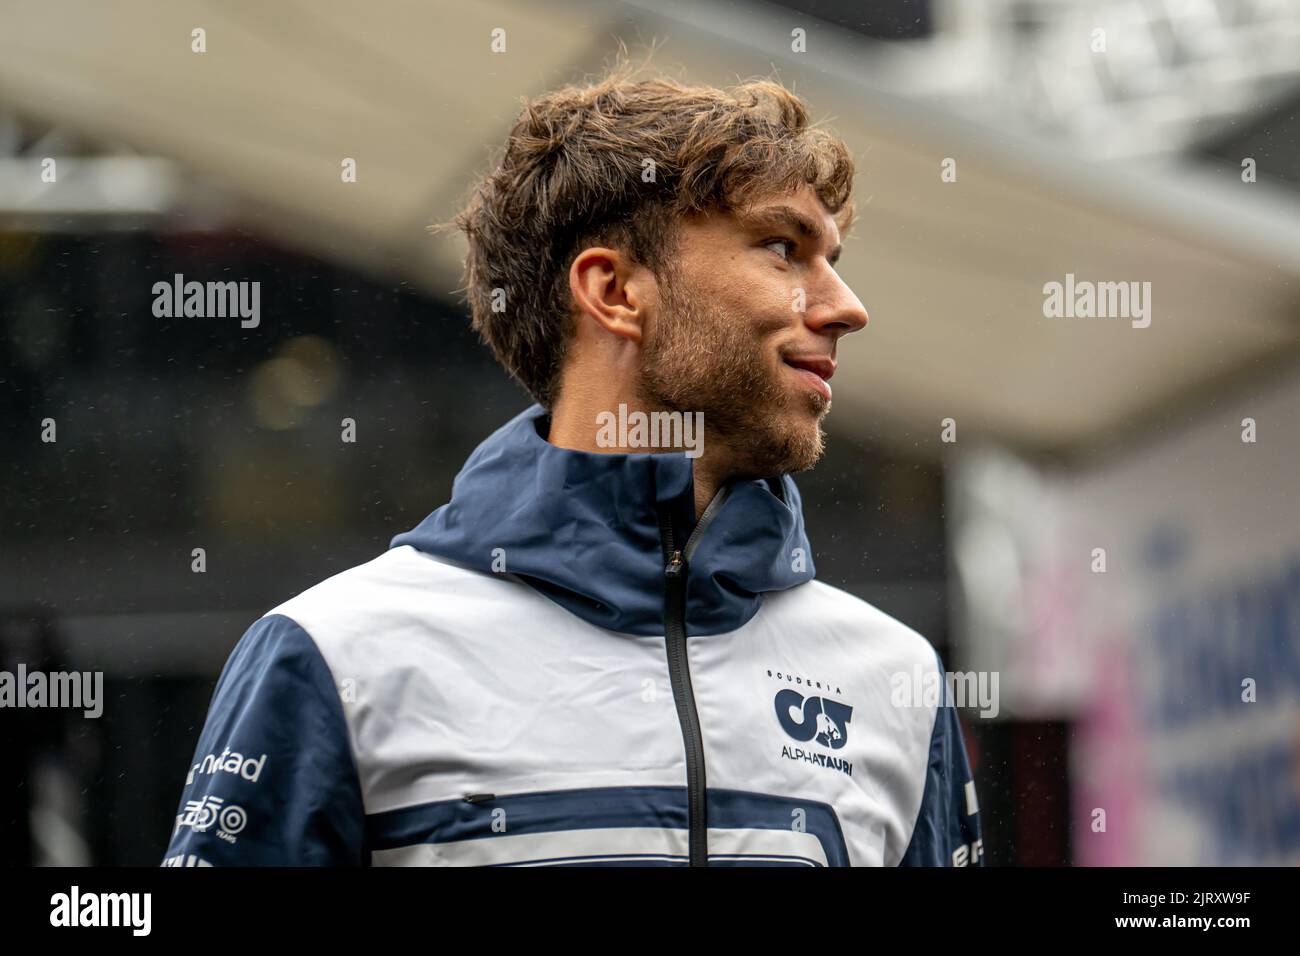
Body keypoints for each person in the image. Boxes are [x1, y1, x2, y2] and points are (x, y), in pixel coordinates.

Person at [162, 70, 983, 867]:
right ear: (615, 289)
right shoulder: (336, 657)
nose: (846, 305)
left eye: (831, 257)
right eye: (782, 247)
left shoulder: (898, 679)